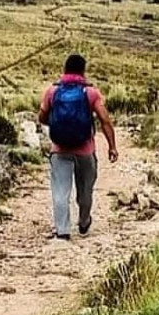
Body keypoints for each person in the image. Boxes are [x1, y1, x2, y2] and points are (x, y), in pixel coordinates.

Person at [38, 53, 118, 240]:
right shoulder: (91, 93)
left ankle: (63, 231)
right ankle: (83, 222)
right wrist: (112, 146)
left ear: (64, 69)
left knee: (60, 192)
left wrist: (58, 124)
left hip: (59, 150)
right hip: (85, 150)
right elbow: (105, 120)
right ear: (83, 71)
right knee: (85, 191)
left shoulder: (52, 91)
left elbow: (41, 116)